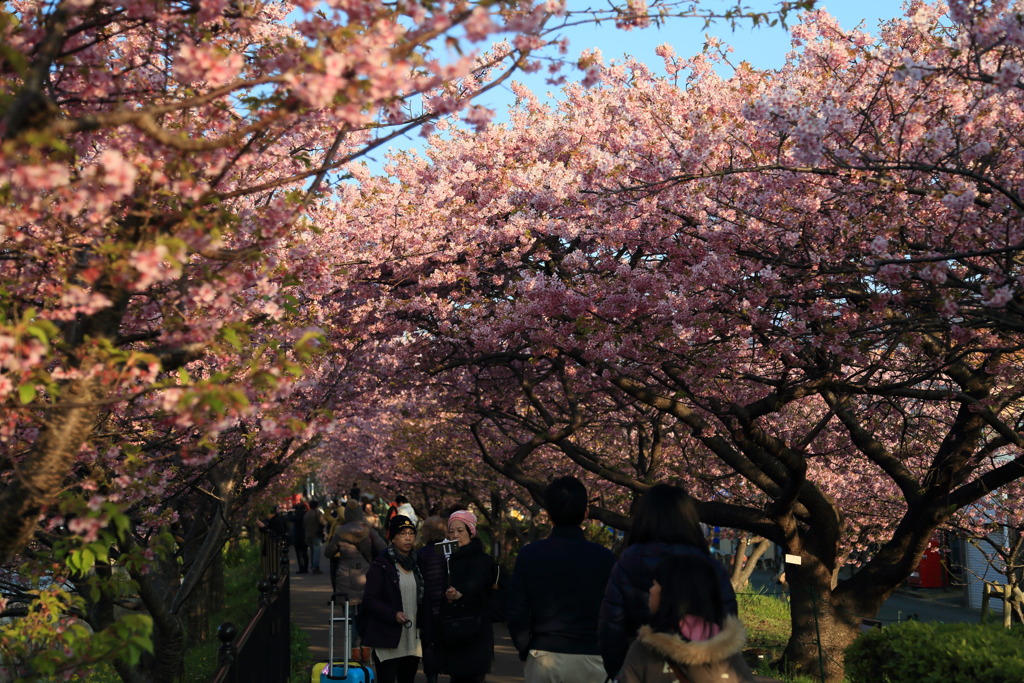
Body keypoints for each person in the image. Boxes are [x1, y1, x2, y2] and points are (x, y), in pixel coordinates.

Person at [599, 484, 737, 679]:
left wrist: (619, 671)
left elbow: (611, 625)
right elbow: (728, 618)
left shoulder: (629, 561)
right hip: (699, 668)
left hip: (641, 667)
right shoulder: (709, 565)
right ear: (689, 519)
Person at [507, 476, 616, 683]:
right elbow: (614, 612)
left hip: (544, 654)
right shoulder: (604, 557)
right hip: (592, 656)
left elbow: (516, 609)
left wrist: (524, 647)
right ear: (586, 512)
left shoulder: (530, 555)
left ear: (548, 514)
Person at [617, 555, 760, 683]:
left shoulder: (644, 651)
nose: (651, 590)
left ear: (669, 593)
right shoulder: (729, 652)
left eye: (655, 584)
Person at [360, 515, 423, 683]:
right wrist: (392, 614)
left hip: (412, 639)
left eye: (411, 533)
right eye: (403, 533)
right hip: (388, 637)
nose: (408, 537)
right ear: (393, 538)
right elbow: (370, 600)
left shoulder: (418, 564)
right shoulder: (381, 565)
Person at [436, 510, 495, 683]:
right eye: (451, 531)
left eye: (460, 531)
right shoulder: (448, 557)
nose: (455, 535)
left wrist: (461, 592)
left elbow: (478, 579)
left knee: (473, 676)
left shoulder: (481, 559)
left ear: (471, 531)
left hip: (475, 630)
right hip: (452, 630)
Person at [325, 499, 387, 659]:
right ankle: (366, 647)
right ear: (359, 513)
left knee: (349, 617)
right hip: (367, 576)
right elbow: (383, 548)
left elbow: (328, 552)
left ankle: (354, 651)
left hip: (345, 578)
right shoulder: (368, 530)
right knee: (366, 615)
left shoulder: (339, 531)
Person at [415, 515, 449, 683]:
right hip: (447, 604)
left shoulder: (421, 553)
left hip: (428, 606)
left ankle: (432, 677)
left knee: (428, 643)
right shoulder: (450, 549)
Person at [304, 500, 326, 574]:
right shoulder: (317, 513)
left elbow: (303, 525)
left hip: (308, 534)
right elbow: (322, 522)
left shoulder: (306, 514)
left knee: (312, 551)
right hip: (316, 534)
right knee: (317, 551)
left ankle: (313, 565)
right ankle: (315, 567)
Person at [289, 500, 310, 574]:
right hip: (305, 536)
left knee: (299, 554)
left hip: (297, 536)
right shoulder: (307, 515)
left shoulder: (296, 516)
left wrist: (290, 512)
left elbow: (289, 518)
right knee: (305, 553)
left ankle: (301, 568)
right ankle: (306, 568)